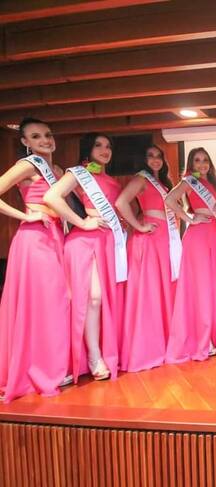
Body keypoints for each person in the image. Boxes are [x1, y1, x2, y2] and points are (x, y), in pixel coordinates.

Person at [0, 118, 70, 402]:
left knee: (57, 303)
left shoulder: (58, 171)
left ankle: (53, 365)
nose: (45, 140)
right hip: (34, 240)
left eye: (48, 135)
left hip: (57, 236)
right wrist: (25, 216)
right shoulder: (27, 166)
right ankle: (37, 370)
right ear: (25, 142)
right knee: (43, 304)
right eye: (36, 136)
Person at [44, 133, 123, 381]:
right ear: (88, 149)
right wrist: (82, 222)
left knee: (101, 301)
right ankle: (93, 357)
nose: (104, 150)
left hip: (107, 242)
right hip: (85, 243)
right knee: (93, 298)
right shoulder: (79, 173)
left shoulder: (112, 180)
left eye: (108, 146)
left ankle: (97, 354)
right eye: (98, 145)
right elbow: (51, 197)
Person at [116, 145, 179, 372]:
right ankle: (147, 349)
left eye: (159, 156)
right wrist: (138, 226)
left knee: (163, 290)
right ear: (143, 159)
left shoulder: (163, 183)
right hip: (150, 239)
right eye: (150, 156)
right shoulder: (141, 179)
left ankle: (165, 342)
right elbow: (121, 202)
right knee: (149, 292)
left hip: (164, 239)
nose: (155, 160)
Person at [164, 147, 216, 363]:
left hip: (214, 234)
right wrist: (189, 219)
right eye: (197, 160)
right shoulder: (190, 181)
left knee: (213, 287)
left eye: (205, 160)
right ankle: (202, 339)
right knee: (202, 288)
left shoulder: (213, 184)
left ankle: (214, 335)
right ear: (191, 164)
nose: (202, 164)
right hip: (198, 237)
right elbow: (170, 200)